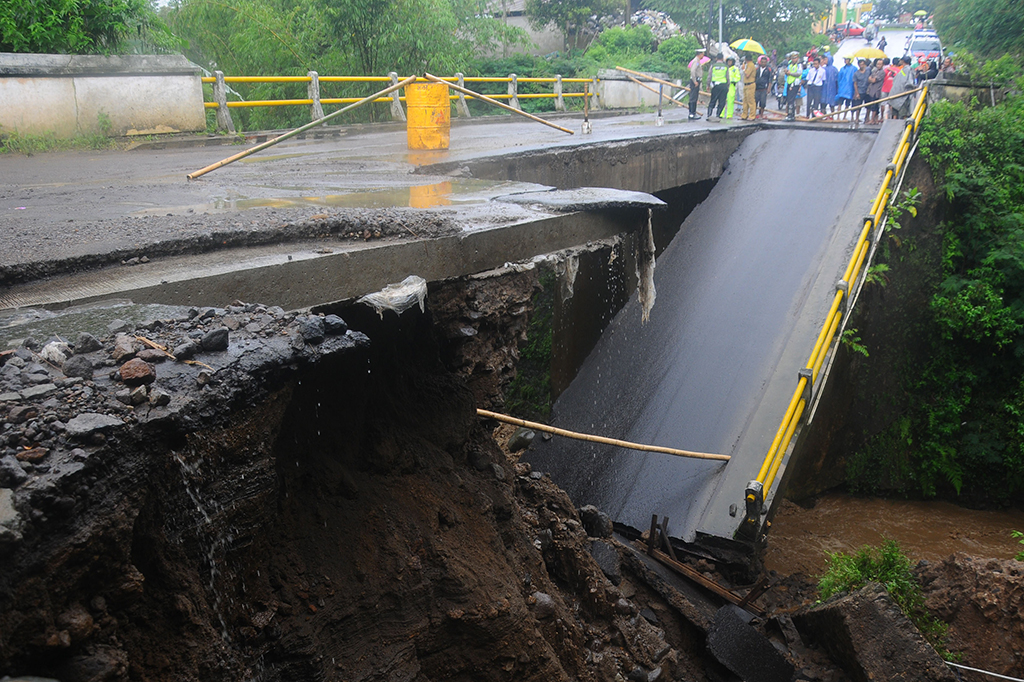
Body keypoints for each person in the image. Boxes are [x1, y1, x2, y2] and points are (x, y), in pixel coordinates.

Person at [706, 52, 730, 120]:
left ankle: (709, 115)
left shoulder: (713, 66)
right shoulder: (726, 66)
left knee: (713, 100)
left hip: (715, 85)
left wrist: (708, 85)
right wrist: (728, 86)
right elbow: (728, 77)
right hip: (724, 85)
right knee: (722, 101)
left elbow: (709, 76)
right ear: (722, 58)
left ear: (716, 58)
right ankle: (718, 115)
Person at [687, 48, 706, 120]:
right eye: (703, 54)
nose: (703, 55)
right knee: (693, 97)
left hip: (697, 81)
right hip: (695, 81)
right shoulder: (696, 61)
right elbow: (692, 71)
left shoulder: (698, 61)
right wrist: (695, 81)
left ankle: (693, 113)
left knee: (695, 97)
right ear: (700, 54)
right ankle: (691, 114)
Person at [784, 52, 802, 121]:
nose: (793, 59)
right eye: (792, 58)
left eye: (795, 58)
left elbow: (799, 73)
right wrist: (786, 72)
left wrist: (790, 73)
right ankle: (790, 114)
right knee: (789, 100)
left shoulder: (799, 65)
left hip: (794, 84)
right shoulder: (790, 65)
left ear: (797, 58)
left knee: (791, 100)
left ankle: (791, 116)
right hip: (789, 83)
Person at [865, 57, 884, 124]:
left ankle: (873, 119)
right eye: (877, 64)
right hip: (871, 91)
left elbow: (873, 80)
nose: (878, 65)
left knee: (875, 106)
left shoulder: (882, 72)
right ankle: (873, 119)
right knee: (871, 105)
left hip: (876, 91)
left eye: (880, 64)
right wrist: (871, 79)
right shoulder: (874, 70)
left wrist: (871, 79)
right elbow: (869, 78)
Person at [852, 58, 870, 123]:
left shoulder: (868, 70)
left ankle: (867, 118)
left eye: (863, 64)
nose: (861, 66)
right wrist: (857, 93)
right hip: (860, 90)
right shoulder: (856, 73)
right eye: (860, 65)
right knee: (858, 106)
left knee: (868, 106)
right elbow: (855, 84)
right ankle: (857, 118)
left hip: (867, 90)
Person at [741, 54, 757, 120]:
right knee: (745, 101)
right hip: (746, 84)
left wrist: (744, 69)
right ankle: (744, 115)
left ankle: (752, 115)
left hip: (750, 84)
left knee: (751, 101)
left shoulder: (751, 65)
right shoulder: (748, 65)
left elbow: (747, 74)